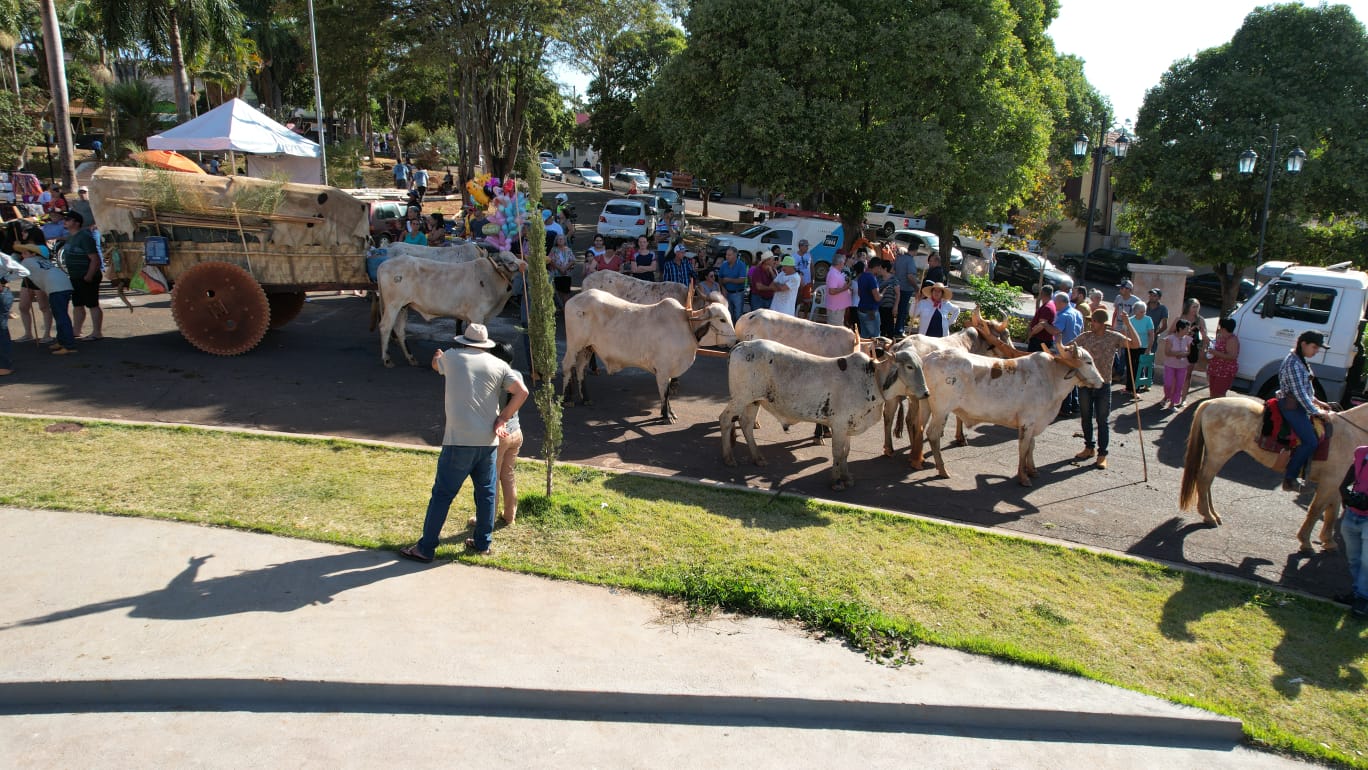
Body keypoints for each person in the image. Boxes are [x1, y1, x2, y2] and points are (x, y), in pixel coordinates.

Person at [399, 323, 529, 562]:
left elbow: (435, 364)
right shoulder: (500, 365)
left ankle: (425, 548)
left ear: (464, 342)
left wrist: (438, 356)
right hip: (488, 442)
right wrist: (503, 417)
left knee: (442, 494)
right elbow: (522, 392)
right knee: (486, 493)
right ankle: (482, 544)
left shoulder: (452, 357)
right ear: (486, 344)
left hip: (458, 440)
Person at [1073, 309, 1140, 470]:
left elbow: (1136, 344)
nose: (1091, 324)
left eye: (1094, 321)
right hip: (1085, 383)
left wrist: (1129, 323)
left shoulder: (1113, 337)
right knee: (1085, 417)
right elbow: (1069, 347)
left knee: (1102, 420)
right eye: (1091, 321)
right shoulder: (1085, 337)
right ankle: (1089, 448)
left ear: (1102, 323)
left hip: (1104, 385)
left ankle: (1102, 454)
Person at [1276, 331, 1333, 493]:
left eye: (1318, 348)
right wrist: (1317, 412)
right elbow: (1300, 394)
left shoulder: (1300, 360)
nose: (1316, 351)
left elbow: (1306, 388)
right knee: (1311, 442)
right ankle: (1290, 478)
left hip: (1298, 403)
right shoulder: (1294, 364)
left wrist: (1317, 401)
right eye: (1314, 347)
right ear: (1303, 344)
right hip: (1291, 405)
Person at [14, 236, 77, 355]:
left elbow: (15, 271)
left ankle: (69, 345)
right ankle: (62, 341)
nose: (22, 255)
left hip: (56, 288)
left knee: (61, 316)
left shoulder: (28, 262)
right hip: (62, 285)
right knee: (60, 315)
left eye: (25, 252)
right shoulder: (42, 260)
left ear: (33, 254)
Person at [60, 211, 103, 341]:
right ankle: (76, 330)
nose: (65, 221)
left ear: (76, 223)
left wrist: (89, 275)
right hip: (75, 276)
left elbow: (95, 259)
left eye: (68, 219)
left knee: (92, 304)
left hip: (86, 275)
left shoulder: (84, 237)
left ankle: (97, 332)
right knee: (77, 304)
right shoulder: (71, 236)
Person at [1336, 446, 1368, 618]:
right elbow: (1353, 469)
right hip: (1353, 513)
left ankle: (1363, 598)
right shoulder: (1361, 452)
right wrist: (1343, 490)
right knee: (1354, 557)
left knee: (1366, 560)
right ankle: (1358, 593)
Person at [13, 227, 53, 343]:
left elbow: (38, 255)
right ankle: (28, 333)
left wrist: (20, 248)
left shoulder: (42, 248)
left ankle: (47, 334)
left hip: (40, 278)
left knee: (44, 307)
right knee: (23, 306)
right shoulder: (24, 247)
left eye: (25, 232)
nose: (22, 234)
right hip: (28, 279)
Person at [1, 250, 30, 375]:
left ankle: (4, 365)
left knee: (1, 330)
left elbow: (24, 271)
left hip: (1, 294)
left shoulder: (2, 257)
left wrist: (4, 279)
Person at [1158, 319, 1193, 410]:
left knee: (1179, 385)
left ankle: (1172, 404)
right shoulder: (1170, 338)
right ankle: (1167, 397)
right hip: (1170, 365)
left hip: (1182, 366)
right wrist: (1178, 354)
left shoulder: (1188, 339)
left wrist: (1183, 354)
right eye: (1186, 329)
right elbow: (1167, 352)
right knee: (1168, 384)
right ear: (1180, 329)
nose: (1188, 331)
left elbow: (1189, 352)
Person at [1177, 297, 1208, 397]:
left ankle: (1183, 397)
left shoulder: (1200, 320)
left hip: (1193, 349)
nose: (1195, 309)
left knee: (1187, 375)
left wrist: (1203, 348)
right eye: (1193, 307)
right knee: (1177, 374)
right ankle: (1172, 396)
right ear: (1188, 307)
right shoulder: (1181, 318)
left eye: (1197, 307)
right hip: (1180, 348)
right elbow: (1172, 332)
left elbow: (1205, 337)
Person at [1206, 318, 1240, 398]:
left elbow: (1232, 356)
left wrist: (1215, 353)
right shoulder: (1220, 336)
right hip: (1215, 368)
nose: (1219, 328)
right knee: (1212, 392)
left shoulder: (1232, 340)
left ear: (1224, 328)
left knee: (1219, 394)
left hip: (1225, 371)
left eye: (1220, 326)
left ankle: (1219, 409)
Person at [1125, 302, 1155, 396]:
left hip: (1143, 347)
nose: (1143, 313)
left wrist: (1148, 349)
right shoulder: (1130, 320)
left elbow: (1151, 335)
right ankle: (1129, 387)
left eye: (1144, 311)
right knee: (1130, 367)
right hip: (1131, 347)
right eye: (1141, 311)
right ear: (1135, 311)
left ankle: (1136, 389)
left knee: (1138, 368)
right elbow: (1126, 334)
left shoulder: (1148, 319)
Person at [892, 245, 918, 335]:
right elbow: (910, 276)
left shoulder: (899, 258)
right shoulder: (910, 260)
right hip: (906, 288)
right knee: (902, 310)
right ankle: (899, 330)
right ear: (915, 250)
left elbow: (893, 271)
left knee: (896, 308)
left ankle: (894, 329)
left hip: (897, 286)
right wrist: (916, 287)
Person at [717, 246, 748, 320]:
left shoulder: (741, 265)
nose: (727, 257)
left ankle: (738, 330)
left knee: (738, 314)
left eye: (729, 255)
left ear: (735, 255)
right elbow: (720, 278)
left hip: (738, 293)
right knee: (728, 314)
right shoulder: (724, 265)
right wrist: (722, 288)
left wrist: (729, 280)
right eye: (726, 255)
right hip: (726, 292)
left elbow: (742, 280)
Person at [823, 251, 853, 326]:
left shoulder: (836, 272)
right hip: (835, 308)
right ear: (839, 264)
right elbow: (832, 291)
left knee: (837, 330)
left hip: (838, 307)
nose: (844, 264)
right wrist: (845, 288)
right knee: (835, 331)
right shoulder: (833, 274)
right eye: (843, 263)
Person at [853, 258, 882, 337]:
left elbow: (859, 293)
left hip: (861, 309)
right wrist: (883, 293)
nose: (880, 270)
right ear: (876, 267)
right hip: (871, 312)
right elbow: (877, 298)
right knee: (875, 338)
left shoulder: (861, 276)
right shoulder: (872, 278)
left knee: (864, 336)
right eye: (880, 268)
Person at [873, 258, 899, 338]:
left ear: (885, 269)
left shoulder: (894, 279)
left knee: (890, 329)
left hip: (889, 307)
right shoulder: (878, 279)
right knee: (881, 328)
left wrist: (895, 306)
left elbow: (898, 294)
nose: (879, 270)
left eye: (880, 268)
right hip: (879, 307)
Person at [547, 233, 576, 306]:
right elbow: (550, 260)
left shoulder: (568, 249)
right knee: (559, 292)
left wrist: (565, 268)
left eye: (562, 239)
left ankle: (567, 308)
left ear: (565, 240)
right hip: (557, 274)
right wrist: (560, 268)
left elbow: (572, 260)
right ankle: (563, 308)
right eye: (558, 239)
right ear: (556, 241)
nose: (560, 240)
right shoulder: (553, 250)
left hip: (566, 274)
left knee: (566, 292)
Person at [1026, 285, 1056, 353]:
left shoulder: (1047, 308)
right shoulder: (1049, 304)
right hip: (1040, 340)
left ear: (1042, 294)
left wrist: (1030, 335)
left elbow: (1041, 325)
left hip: (1040, 341)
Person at [1145, 288, 1169, 353]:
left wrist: (1155, 334)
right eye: (1150, 295)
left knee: (1150, 357)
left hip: (1153, 338)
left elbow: (1165, 326)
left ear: (1159, 298)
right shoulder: (1144, 306)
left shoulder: (1163, 309)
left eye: (1154, 296)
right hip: (1141, 334)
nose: (1151, 297)